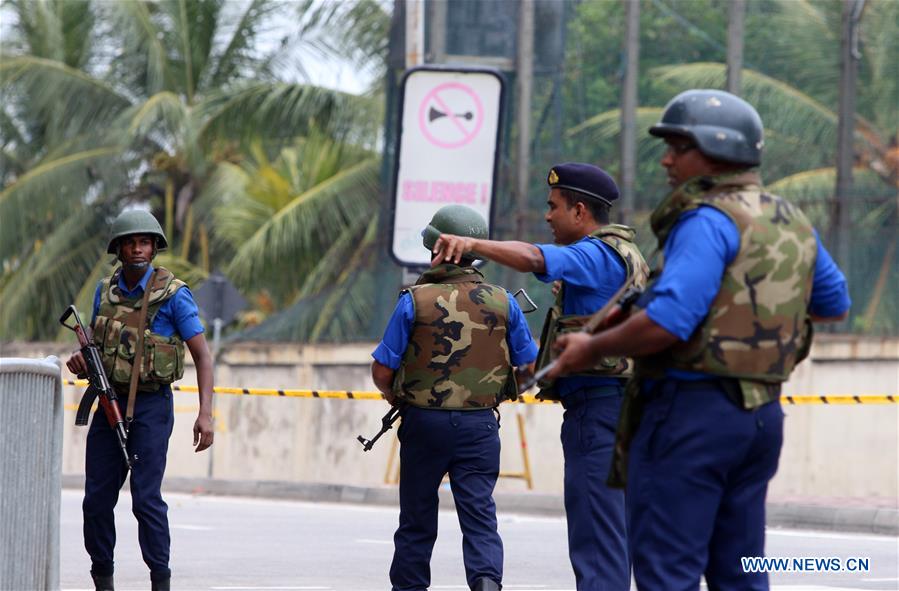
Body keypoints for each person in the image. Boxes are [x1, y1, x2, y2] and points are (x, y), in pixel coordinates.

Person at [548, 90, 851, 590]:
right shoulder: (790, 219)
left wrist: (591, 347)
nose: (666, 159)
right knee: (740, 571)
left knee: (669, 572)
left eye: (678, 147)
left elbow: (668, 322)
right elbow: (832, 304)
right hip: (760, 416)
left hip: (691, 415)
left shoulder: (708, 220)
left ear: (716, 150)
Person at [433, 163, 648, 591]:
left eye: (553, 207)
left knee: (596, 537)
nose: (547, 216)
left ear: (580, 210)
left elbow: (534, 258)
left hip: (599, 410)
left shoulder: (594, 254)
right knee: (615, 533)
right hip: (624, 407)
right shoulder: (624, 254)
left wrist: (472, 243)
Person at [371, 205, 538, 591]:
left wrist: (395, 395)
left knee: (416, 516)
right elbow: (529, 366)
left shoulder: (414, 300)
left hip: (423, 423)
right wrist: (502, 390)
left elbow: (382, 370)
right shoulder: (503, 301)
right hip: (479, 426)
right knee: (479, 513)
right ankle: (485, 580)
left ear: (435, 249)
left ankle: (410, 586)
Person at [66, 210, 215, 591]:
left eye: (145, 242)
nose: (137, 249)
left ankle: (160, 582)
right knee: (96, 501)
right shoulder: (106, 290)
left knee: (146, 500)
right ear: (118, 248)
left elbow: (202, 354)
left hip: (151, 407)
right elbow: (100, 347)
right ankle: (103, 580)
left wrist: (205, 415)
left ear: (154, 247)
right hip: (108, 402)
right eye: (130, 242)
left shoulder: (174, 295)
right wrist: (82, 360)